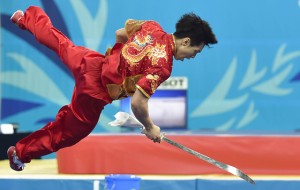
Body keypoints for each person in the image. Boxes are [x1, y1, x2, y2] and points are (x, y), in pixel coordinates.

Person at [7, 6, 217, 171]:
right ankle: (19, 152)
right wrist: (150, 127)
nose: (192, 57)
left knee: (62, 44)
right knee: (70, 132)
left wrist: (119, 63)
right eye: (195, 51)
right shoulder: (163, 66)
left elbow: (120, 34)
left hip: (92, 62)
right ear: (186, 41)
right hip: (94, 93)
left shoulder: (152, 26)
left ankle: (26, 17)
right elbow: (138, 103)